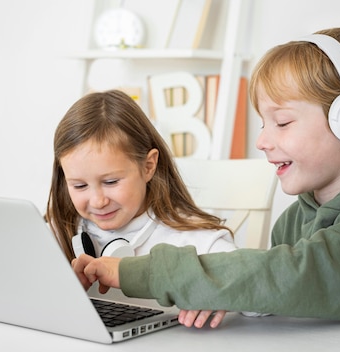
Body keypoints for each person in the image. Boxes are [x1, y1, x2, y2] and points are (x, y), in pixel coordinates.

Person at [72, 27, 340, 331]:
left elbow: (293, 276)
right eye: (263, 123)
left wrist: (141, 272)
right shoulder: (297, 218)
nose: (262, 141)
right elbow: (282, 297)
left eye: (282, 122)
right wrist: (226, 293)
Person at [45, 89, 237, 327]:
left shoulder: (197, 242)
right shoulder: (54, 233)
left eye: (111, 182)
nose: (97, 201)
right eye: (80, 185)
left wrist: (226, 293)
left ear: (148, 166)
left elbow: (259, 289)